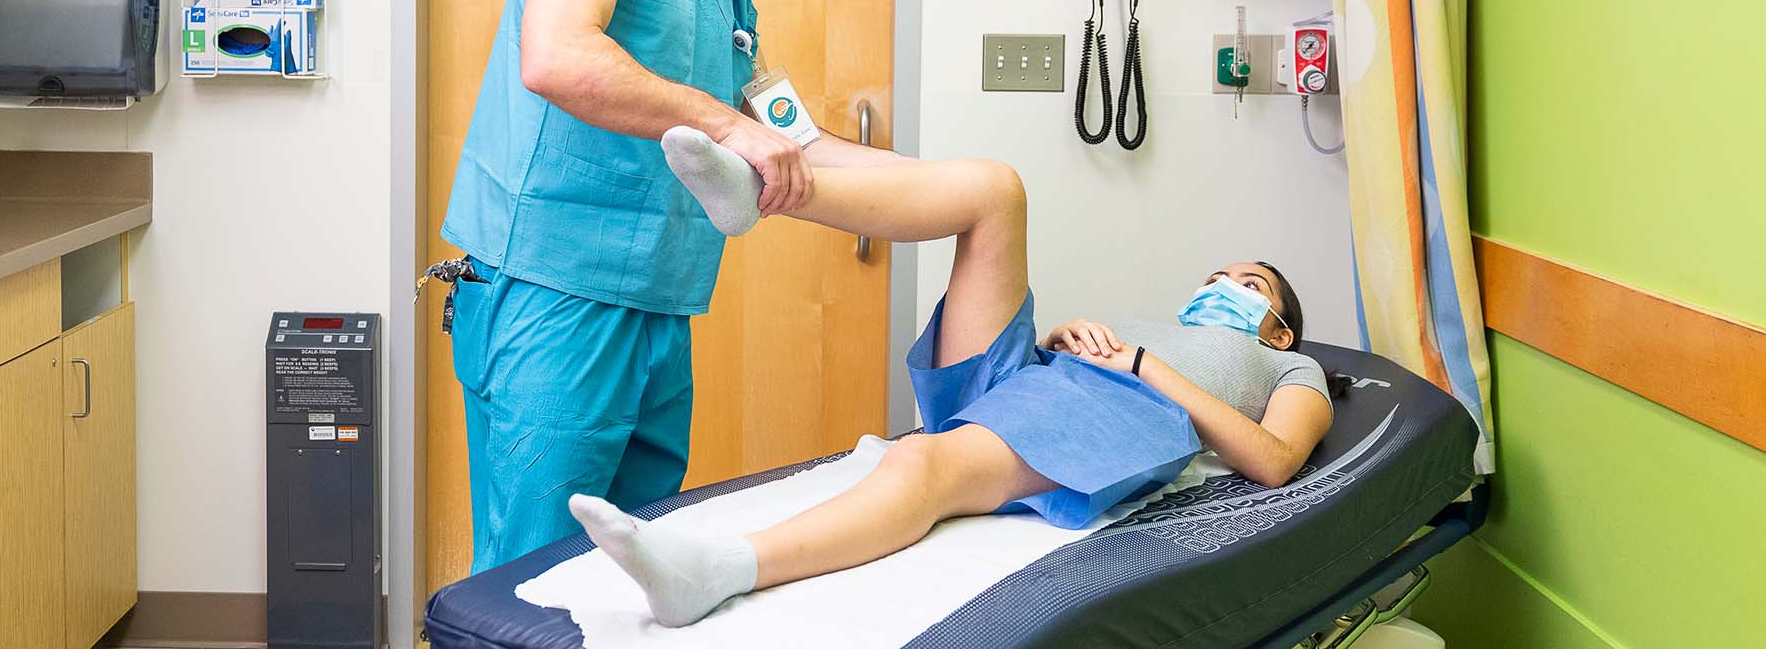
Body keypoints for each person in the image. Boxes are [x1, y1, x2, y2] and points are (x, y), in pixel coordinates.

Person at [435, 0, 902, 572]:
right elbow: (556, 53)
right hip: (557, 287)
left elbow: (768, 114)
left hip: (660, 297)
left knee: (631, 570)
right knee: (532, 574)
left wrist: (912, 181)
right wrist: (726, 125)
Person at [564, 127, 1338, 627]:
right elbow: (1079, 357)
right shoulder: (1160, 327)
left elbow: (1273, 462)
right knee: (995, 190)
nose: (1220, 284)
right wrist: (1070, 334)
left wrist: (1143, 366)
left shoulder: (1287, 363)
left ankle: (721, 570)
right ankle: (763, 193)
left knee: (921, 461)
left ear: (1279, 324)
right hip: (1041, 374)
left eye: (1248, 284)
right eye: (1216, 273)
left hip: (1112, 420)